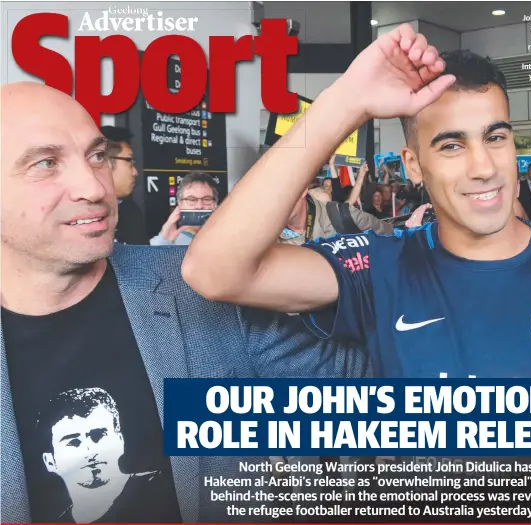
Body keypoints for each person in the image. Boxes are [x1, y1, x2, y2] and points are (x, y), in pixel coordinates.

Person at [0, 82, 371, 523]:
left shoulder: (198, 288)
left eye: (97, 156)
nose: (94, 187)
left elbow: (370, 391)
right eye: (46, 163)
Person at [183, 25, 531, 379]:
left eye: (495, 137)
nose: (483, 167)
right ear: (413, 165)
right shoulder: (383, 266)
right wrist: (345, 101)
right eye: (452, 145)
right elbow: (214, 271)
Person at [38, 388, 177, 523]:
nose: (90, 450)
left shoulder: (168, 488)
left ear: (120, 440)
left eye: (98, 435)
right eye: (74, 442)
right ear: (50, 462)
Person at [279, 187, 392, 246]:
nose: (275, 203)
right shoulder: (265, 240)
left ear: (302, 189)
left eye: (282, 192)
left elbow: (392, 239)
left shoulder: (344, 216)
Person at [100, 126, 148, 245]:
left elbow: (142, 258)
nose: (135, 172)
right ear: (105, 162)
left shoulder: (131, 211)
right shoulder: (77, 215)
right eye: (129, 161)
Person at [150, 172, 219, 246]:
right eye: (192, 199)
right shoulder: (166, 241)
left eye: (206, 199)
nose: (199, 206)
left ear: (215, 205)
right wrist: (164, 240)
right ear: (180, 205)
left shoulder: (227, 237)